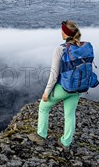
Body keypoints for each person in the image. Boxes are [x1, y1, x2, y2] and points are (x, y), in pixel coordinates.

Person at [28, 20, 83, 149]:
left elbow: (54, 74)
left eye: (62, 31)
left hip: (63, 87)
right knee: (70, 114)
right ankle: (66, 142)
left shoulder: (60, 49)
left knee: (43, 107)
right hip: (78, 87)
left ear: (65, 33)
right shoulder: (82, 47)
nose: (61, 33)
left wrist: (47, 92)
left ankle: (41, 136)